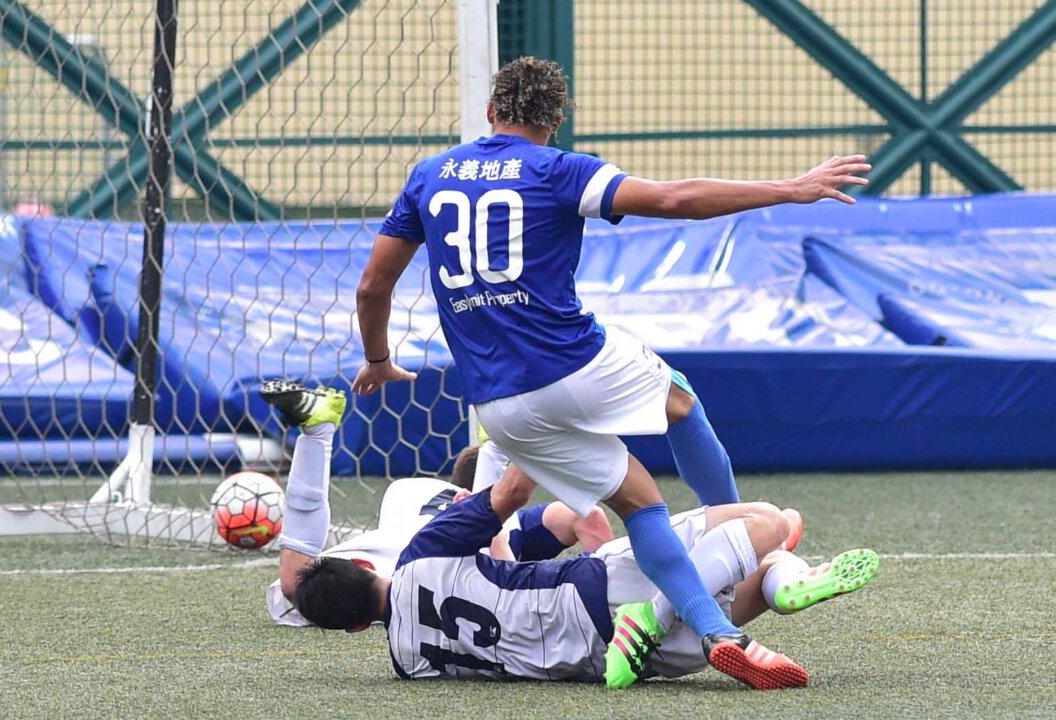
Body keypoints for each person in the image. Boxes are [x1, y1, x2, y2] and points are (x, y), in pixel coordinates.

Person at [350, 56, 869, 688]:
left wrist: (377, 359)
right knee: (679, 402)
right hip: (575, 360)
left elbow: (374, 286)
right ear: (557, 120)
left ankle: (719, 630)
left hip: (498, 405)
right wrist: (789, 188)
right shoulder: (557, 168)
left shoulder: (428, 177)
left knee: (638, 503)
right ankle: (739, 546)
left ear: (491, 113)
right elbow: (675, 199)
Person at [291, 482, 879, 686]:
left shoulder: (408, 662)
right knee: (769, 521)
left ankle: (778, 585)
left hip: (604, 664)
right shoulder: (420, 553)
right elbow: (511, 497)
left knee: (734, 586)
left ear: (354, 626)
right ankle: (662, 611)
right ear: (368, 566)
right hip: (595, 592)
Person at [259, 380, 614, 627]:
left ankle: (494, 442)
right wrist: (606, 586)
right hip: (417, 562)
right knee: (483, 564)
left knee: (300, 585)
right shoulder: (515, 524)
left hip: (386, 555)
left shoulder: (405, 490)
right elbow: (589, 518)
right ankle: (496, 442)